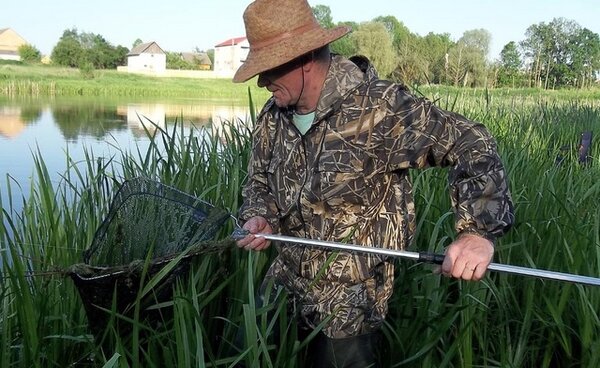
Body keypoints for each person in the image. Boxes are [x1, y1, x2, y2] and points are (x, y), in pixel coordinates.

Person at [233, 0, 514, 366]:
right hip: (284, 280)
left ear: (302, 60)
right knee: (245, 352)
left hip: (351, 299)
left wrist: (477, 232)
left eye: (268, 69)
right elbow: (258, 180)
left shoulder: (380, 107)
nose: (262, 81)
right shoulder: (273, 115)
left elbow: (471, 141)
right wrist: (259, 216)